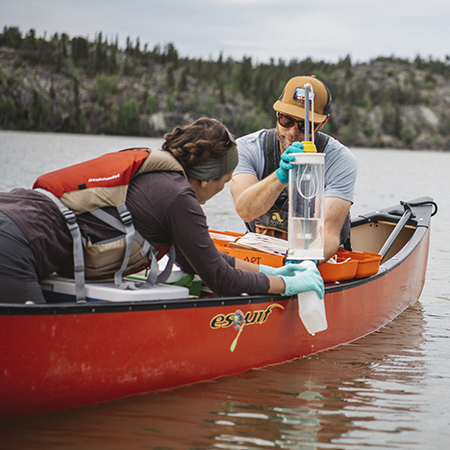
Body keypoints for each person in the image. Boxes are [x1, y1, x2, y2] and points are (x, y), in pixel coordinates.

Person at [0, 117, 324, 304]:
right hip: (16, 243)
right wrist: (288, 286)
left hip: (11, 217)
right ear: (207, 178)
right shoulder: (179, 196)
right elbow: (221, 279)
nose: (223, 189)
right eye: (225, 181)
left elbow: (197, 259)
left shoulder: (155, 174)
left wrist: (269, 272)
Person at [230, 75, 358, 262]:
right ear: (277, 114)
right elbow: (246, 210)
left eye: (305, 125)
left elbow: (329, 232)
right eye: (286, 120)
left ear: (322, 123)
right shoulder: (246, 148)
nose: (293, 131)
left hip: (317, 257)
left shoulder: (341, 160)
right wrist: (280, 176)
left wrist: (302, 263)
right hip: (260, 250)